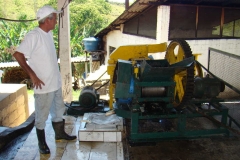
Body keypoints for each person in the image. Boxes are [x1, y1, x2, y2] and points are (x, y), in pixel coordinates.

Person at [13, 5, 76, 154]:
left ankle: (60, 134)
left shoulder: (47, 34)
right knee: (41, 116)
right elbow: (18, 55)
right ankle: (42, 143)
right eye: (55, 18)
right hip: (43, 86)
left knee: (59, 111)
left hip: (54, 83)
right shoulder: (34, 35)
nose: (56, 21)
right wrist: (32, 75)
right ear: (48, 19)